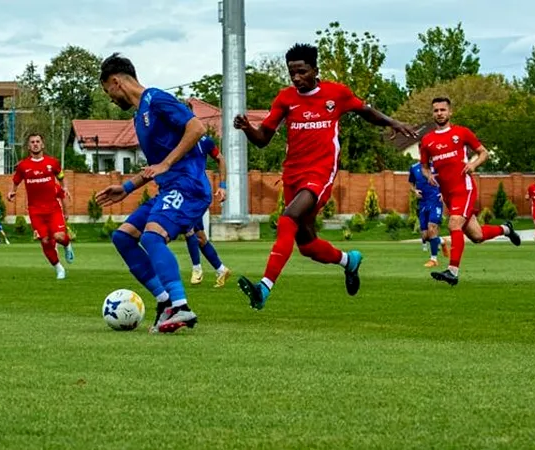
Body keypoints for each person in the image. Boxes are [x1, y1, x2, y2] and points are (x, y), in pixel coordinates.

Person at [232, 43, 417, 310]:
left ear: (315, 70)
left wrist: (393, 122)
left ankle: (264, 288)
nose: (296, 78)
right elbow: (262, 140)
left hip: (320, 173)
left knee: (288, 218)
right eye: (292, 73)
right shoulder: (286, 98)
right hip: (292, 174)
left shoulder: (336, 93)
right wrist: (248, 128)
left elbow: (365, 111)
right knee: (307, 246)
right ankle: (348, 260)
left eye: (302, 72)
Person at [95, 53, 211, 334]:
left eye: (107, 92)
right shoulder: (139, 118)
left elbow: (197, 127)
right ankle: (164, 301)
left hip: (190, 186)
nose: (110, 99)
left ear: (115, 82)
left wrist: (168, 163)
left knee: (152, 236)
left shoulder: (156, 98)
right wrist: (125, 188)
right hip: (170, 188)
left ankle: (180, 307)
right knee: (123, 237)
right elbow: (154, 168)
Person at [419, 97, 521, 286]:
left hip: (463, 188)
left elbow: (484, 152)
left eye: (443, 110)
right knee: (477, 236)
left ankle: (452, 271)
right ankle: (506, 229)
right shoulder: (427, 140)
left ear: (450, 112)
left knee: (454, 224)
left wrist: (473, 164)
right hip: (448, 193)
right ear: (432, 114)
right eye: (436, 111)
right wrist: (428, 175)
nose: (439, 113)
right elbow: (424, 166)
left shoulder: (461, 133)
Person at [7, 134, 74, 279]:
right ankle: (59, 268)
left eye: (38, 141)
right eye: (32, 142)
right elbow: (16, 181)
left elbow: (61, 177)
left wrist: (65, 188)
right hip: (35, 210)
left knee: (59, 236)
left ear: (43, 145)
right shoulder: (23, 166)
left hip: (53, 209)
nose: (35, 144)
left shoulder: (53, 163)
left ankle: (67, 245)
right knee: (45, 240)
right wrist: (12, 191)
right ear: (28, 146)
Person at [187, 135, 232, 287]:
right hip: (184, 192)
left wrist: (223, 185)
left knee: (188, 228)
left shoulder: (203, 141)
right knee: (200, 238)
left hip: (199, 193)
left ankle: (196, 269)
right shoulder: (172, 139)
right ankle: (221, 269)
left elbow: (220, 158)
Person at [409, 161, 450, 267]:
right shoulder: (414, 168)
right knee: (425, 236)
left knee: (432, 228)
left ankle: (434, 259)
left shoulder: (437, 165)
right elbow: (411, 184)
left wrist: (444, 193)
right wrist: (415, 191)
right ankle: (442, 241)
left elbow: (447, 180)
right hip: (423, 203)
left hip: (435, 200)